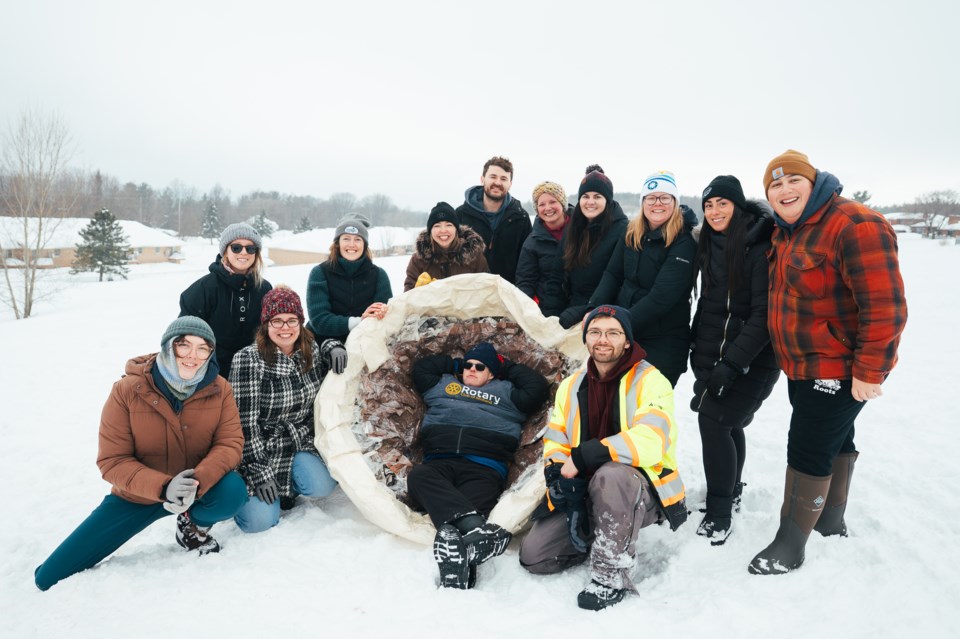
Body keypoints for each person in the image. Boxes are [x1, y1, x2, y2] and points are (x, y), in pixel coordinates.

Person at [748, 150, 907, 575]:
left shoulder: (855, 224)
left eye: (792, 181)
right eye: (774, 185)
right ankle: (830, 521)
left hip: (837, 367)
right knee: (835, 438)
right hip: (801, 364)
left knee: (807, 447)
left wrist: (870, 371)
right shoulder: (790, 231)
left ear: (814, 182)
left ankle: (790, 542)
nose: (784, 190)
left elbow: (886, 307)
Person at [34, 317, 247, 591]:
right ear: (169, 347)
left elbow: (230, 442)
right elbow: (112, 460)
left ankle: (192, 525)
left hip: (196, 488)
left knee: (232, 491)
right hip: (138, 496)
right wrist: (165, 487)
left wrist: (198, 481)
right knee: (49, 577)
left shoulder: (220, 388)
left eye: (202, 348)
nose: (193, 356)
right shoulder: (126, 391)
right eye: (184, 346)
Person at [519, 306, 686, 611]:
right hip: (587, 488)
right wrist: (557, 474)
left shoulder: (651, 380)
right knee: (535, 556)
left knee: (611, 475)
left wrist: (586, 456)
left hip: (642, 489)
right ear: (585, 340)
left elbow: (651, 441)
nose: (602, 339)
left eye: (613, 332)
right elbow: (556, 439)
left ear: (626, 341)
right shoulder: (571, 386)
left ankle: (611, 575)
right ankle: (603, 530)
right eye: (595, 332)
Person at [408, 342, 549, 589]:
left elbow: (536, 388)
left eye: (480, 367)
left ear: (492, 373)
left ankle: (459, 570)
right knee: (419, 476)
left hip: (484, 467)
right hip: (439, 462)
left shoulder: (508, 392)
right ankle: (475, 529)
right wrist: (454, 364)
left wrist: (506, 367)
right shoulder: (442, 385)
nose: (472, 370)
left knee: (470, 506)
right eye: (467, 366)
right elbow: (421, 368)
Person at [689, 175, 781, 545]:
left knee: (714, 421)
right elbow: (712, 307)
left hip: (755, 356)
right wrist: (702, 353)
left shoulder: (759, 247)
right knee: (729, 423)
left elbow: (763, 316)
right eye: (708, 205)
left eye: (722, 204)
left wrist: (732, 365)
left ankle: (719, 511)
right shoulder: (712, 245)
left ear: (738, 206)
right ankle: (733, 490)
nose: (714, 212)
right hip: (716, 352)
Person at [230, 286, 346, 532]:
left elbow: (324, 342)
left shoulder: (309, 350)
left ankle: (286, 487)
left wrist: (332, 346)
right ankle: (246, 492)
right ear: (266, 324)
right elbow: (244, 425)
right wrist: (258, 471)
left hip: (296, 440)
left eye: (292, 320)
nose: (285, 328)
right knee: (258, 523)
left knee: (322, 486)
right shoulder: (248, 359)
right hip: (259, 447)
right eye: (277, 321)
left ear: (301, 323)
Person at [588, 171, 697, 387]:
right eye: (651, 197)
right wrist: (594, 310)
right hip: (627, 332)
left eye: (665, 197)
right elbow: (613, 274)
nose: (657, 203)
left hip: (663, 340)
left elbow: (661, 298)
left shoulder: (684, 242)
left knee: (647, 406)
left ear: (674, 202)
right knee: (616, 403)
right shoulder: (631, 232)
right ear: (643, 202)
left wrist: (617, 324)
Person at [179, 222, 273, 380]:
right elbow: (185, 336)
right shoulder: (204, 288)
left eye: (250, 248)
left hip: (254, 373)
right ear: (225, 251)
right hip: (211, 373)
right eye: (236, 247)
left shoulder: (264, 288)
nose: (244, 252)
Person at [556, 166, 628, 328]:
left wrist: (586, 310)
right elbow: (557, 274)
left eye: (597, 196)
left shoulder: (622, 230)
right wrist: (550, 316)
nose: (590, 202)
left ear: (607, 200)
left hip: (604, 313)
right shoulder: (573, 228)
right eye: (585, 196)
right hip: (571, 308)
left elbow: (615, 279)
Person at [306, 214, 392, 343]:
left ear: (365, 244)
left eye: (358, 239)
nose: (352, 245)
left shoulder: (379, 275)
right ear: (337, 243)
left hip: (366, 343)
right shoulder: (319, 273)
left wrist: (380, 313)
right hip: (323, 343)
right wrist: (360, 321)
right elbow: (319, 321)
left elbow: (383, 319)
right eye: (346, 238)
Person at [455, 156, 532, 284]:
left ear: (510, 184)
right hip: (468, 293)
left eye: (503, 179)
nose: (497, 182)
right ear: (482, 179)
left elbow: (527, 263)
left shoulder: (520, 218)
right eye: (493, 177)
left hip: (507, 293)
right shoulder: (461, 215)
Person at [515, 181, 572, 317]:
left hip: (581, 304)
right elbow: (525, 281)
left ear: (562, 204)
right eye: (541, 204)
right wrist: (529, 311)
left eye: (552, 202)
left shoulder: (582, 230)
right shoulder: (532, 242)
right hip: (548, 309)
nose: (548, 208)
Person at [403, 202, 488, 291]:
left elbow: (487, 290)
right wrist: (419, 292)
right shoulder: (418, 260)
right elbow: (407, 296)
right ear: (430, 231)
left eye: (449, 225)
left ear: (456, 229)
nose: (443, 230)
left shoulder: (474, 256)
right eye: (437, 226)